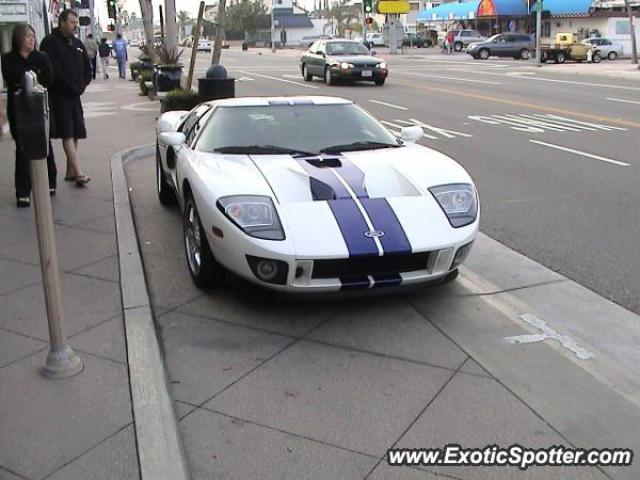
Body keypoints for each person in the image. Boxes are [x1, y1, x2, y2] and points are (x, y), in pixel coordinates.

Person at [1, 24, 57, 207]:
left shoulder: (41, 57)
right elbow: (12, 78)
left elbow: (48, 79)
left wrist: (30, 79)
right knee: (22, 148)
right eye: (27, 36)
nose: (32, 39)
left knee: (44, 143)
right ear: (19, 39)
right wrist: (32, 77)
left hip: (39, 106)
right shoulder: (8, 58)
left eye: (33, 36)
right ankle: (23, 191)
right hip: (18, 107)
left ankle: (50, 183)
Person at [40, 9, 92, 187]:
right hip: (60, 95)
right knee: (67, 132)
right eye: (72, 22)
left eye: (76, 23)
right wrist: (68, 85)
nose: (75, 26)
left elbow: (87, 67)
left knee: (76, 131)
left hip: (75, 95)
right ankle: (78, 173)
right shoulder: (49, 43)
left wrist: (83, 84)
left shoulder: (77, 43)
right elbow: (52, 70)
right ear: (62, 22)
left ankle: (71, 170)